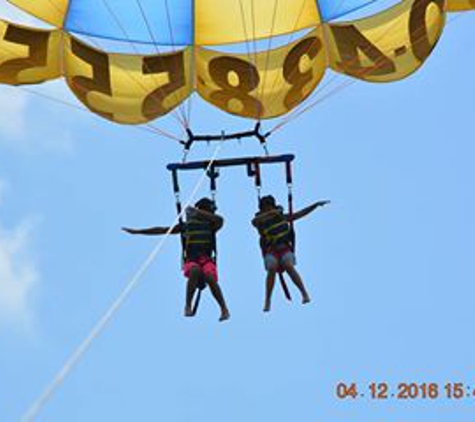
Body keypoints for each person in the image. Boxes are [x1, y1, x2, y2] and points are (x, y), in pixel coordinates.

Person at [123, 197, 230, 322]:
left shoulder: (212, 225)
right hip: (192, 260)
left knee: (209, 276)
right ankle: (188, 305)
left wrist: (196, 212)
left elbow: (220, 220)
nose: (211, 214)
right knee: (195, 271)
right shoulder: (186, 226)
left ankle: (224, 309)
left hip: (206, 260)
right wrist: (138, 231)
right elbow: (162, 230)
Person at [252, 195, 330, 312]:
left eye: (269, 207)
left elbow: (300, 214)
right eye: (265, 208)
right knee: (272, 268)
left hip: (285, 249)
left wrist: (315, 205)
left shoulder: (282, 217)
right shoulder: (260, 222)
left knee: (288, 266)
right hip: (271, 250)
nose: (268, 210)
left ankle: (304, 293)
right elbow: (254, 222)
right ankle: (268, 300)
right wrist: (273, 212)